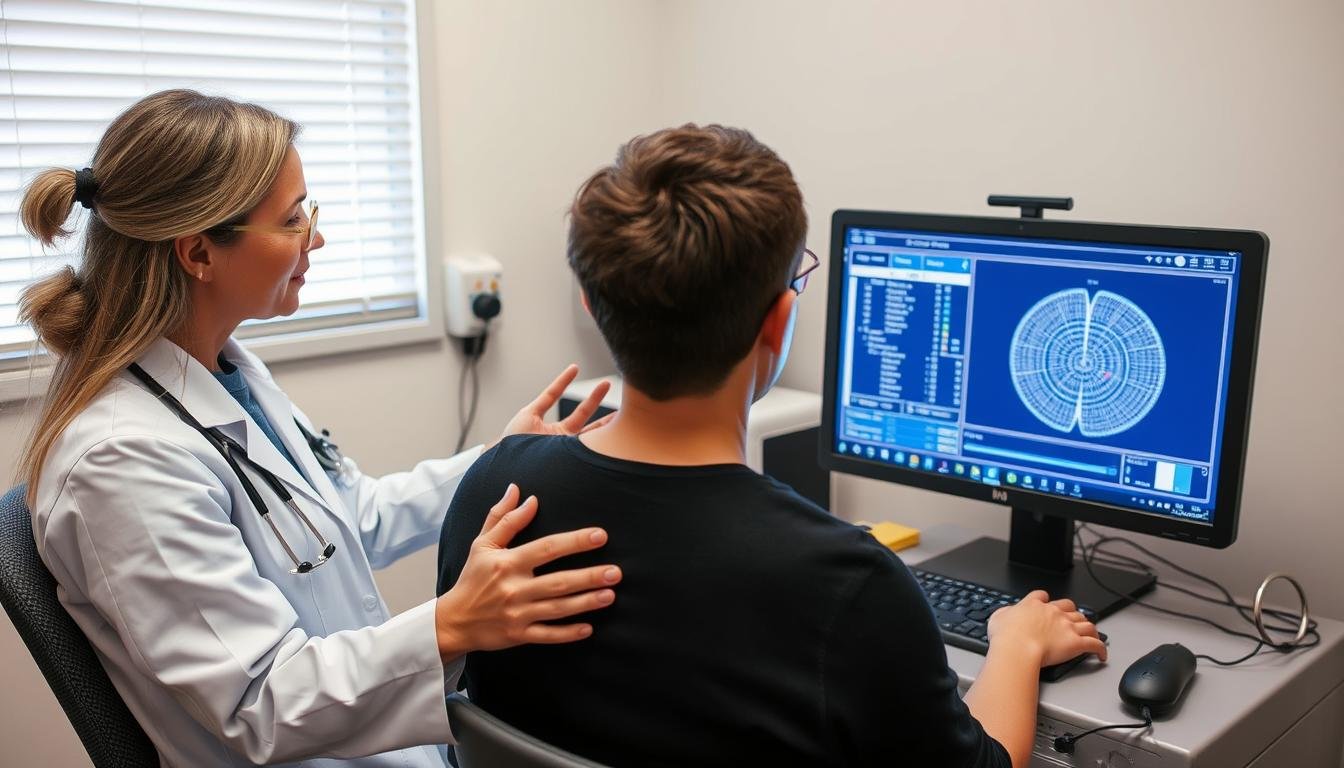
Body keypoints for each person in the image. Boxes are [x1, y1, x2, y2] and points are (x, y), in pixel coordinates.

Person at [436, 124, 1108, 768]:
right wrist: (1015, 645)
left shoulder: (494, 498)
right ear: (780, 318)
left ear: (588, 301)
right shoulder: (848, 584)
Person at [16, 89, 625, 767]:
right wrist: (453, 623)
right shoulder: (120, 463)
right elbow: (259, 706)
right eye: (292, 219)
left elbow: (348, 517)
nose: (317, 237)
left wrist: (502, 457)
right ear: (198, 253)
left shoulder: (225, 368)